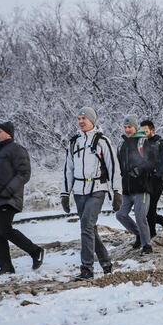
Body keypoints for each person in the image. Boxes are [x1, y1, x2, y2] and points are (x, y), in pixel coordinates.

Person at [61, 107, 121, 280]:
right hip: (79, 192)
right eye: (79, 118)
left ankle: (86, 269)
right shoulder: (74, 142)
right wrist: (65, 194)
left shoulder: (103, 141)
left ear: (92, 121)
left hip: (97, 190)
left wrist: (117, 192)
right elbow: (68, 170)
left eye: (84, 118)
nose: (80, 121)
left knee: (86, 226)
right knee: (90, 229)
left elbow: (113, 168)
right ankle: (106, 263)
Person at [0, 122, 44, 275]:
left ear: (8, 133)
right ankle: (5, 266)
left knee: (5, 229)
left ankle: (35, 251)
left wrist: (8, 190)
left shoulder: (16, 150)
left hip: (8, 198)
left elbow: (24, 173)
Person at [116, 115, 156, 254]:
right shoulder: (121, 144)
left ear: (135, 127)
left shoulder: (142, 141)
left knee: (140, 217)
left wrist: (139, 169)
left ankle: (147, 245)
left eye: (130, 127)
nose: (127, 129)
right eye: (125, 127)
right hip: (127, 188)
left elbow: (152, 162)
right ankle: (140, 234)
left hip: (142, 187)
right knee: (121, 215)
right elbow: (120, 166)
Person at [140, 120, 163, 240]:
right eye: (141, 131)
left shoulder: (161, 143)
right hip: (145, 180)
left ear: (152, 130)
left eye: (146, 131)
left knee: (151, 207)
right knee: (146, 208)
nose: (143, 133)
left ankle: (152, 234)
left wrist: (157, 174)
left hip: (157, 180)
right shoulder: (142, 143)